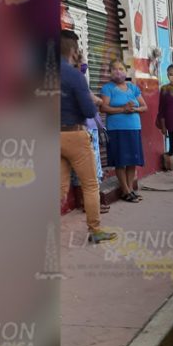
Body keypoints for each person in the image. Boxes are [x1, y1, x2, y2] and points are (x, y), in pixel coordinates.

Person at [60, 30, 116, 243]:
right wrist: (95, 102)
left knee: (59, 189)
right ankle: (95, 230)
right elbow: (88, 111)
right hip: (74, 135)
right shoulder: (75, 76)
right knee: (91, 185)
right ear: (74, 51)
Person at [100, 59, 147, 203]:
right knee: (120, 161)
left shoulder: (133, 88)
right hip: (117, 129)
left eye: (120, 69)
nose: (118, 71)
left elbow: (144, 106)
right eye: (114, 69)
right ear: (110, 72)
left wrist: (135, 109)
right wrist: (122, 109)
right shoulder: (108, 88)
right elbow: (103, 108)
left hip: (133, 128)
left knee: (132, 160)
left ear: (126, 72)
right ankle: (125, 190)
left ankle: (130, 189)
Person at [70, 52, 110, 214]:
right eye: (80, 62)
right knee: (87, 168)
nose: (84, 65)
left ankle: (91, 201)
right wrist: (97, 100)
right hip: (81, 129)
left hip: (91, 127)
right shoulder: (72, 81)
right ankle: (88, 203)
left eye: (84, 62)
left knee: (94, 167)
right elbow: (92, 102)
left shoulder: (80, 81)